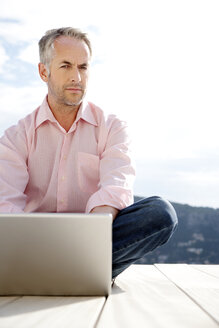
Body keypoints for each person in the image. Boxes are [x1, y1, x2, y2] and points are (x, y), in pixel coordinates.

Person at [0, 27, 178, 278]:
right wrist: (33, 243)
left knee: (160, 213)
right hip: (33, 242)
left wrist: (88, 238)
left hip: (94, 238)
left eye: (83, 67)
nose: (77, 77)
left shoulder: (112, 127)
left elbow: (116, 187)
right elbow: (6, 206)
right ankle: (75, 273)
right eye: (66, 66)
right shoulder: (15, 138)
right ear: (44, 71)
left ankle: (58, 272)